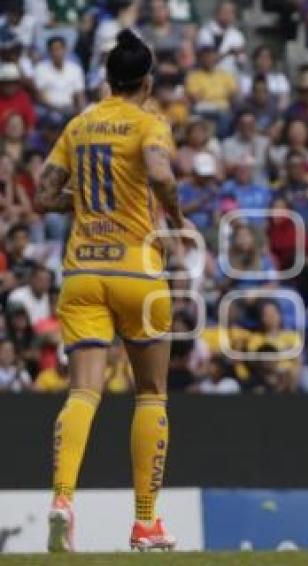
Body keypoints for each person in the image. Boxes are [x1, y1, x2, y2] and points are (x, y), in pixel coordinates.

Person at [36, 30, 192, 552]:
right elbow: (158, 172)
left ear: (107, 78)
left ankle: (62, 500)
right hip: (137, 272)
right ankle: (145, 523)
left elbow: (42, 193)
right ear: (147, 81)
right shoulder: (150, 123)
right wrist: (172, 213)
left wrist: (83, 203)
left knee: (83, 391)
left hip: (82, 272)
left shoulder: (78, 125)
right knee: (151, 393)